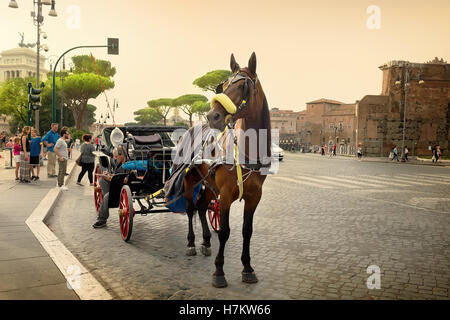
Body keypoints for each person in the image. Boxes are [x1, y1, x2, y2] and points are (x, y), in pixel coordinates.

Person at [93, 145, 129, 229]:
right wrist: (110, 175)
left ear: (121, 155)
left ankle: (102, 219)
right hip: (116, 184)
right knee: (102, 180)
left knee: (106, 197)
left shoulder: (128, 165)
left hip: (121, 187)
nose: (115, 159)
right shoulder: (120, 163)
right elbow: (117, 175)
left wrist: (110, 178)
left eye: (116, 157)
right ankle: (108, 199)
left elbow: (126, 179)